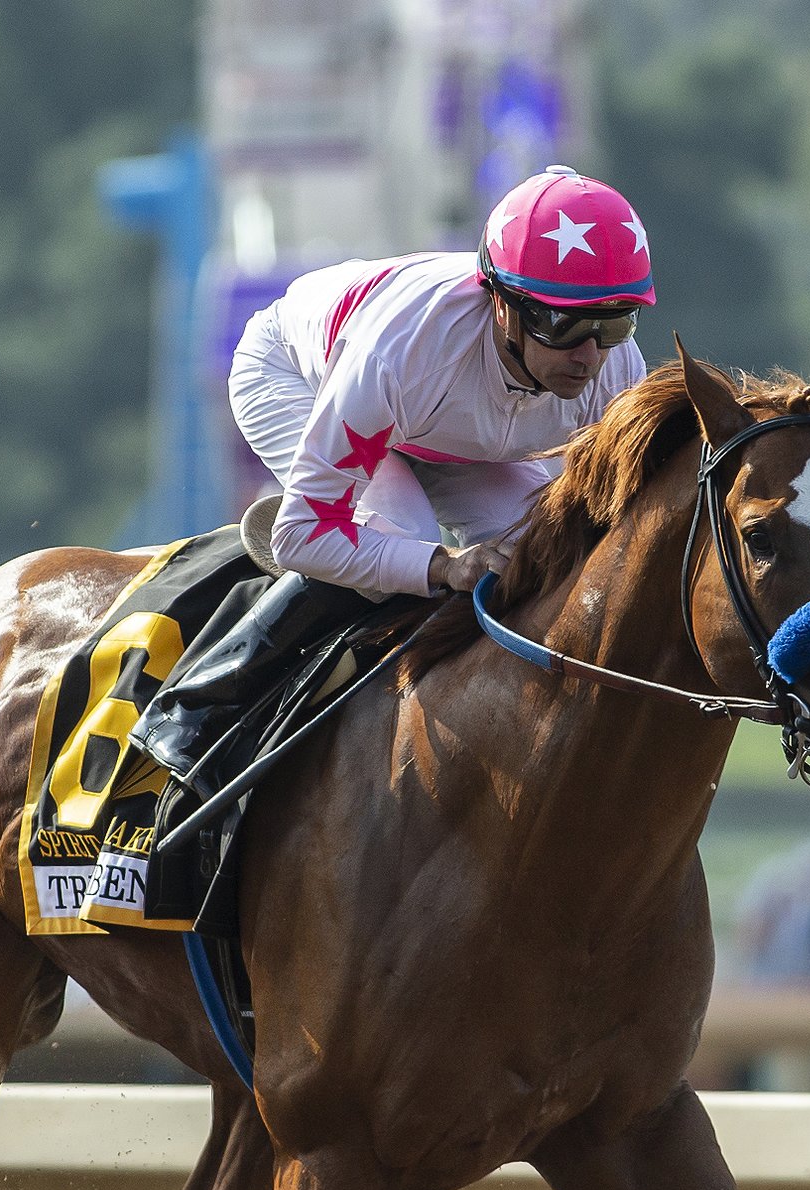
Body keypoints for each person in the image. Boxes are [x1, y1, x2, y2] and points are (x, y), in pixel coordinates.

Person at [131, 165, 657, 779]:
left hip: (448, 434)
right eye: (563, 324)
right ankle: (198, 708)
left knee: (540, 552)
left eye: (614, 323)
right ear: (501, 302)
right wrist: (442, 564)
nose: (589, 356)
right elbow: (300, 536)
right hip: (297, 375)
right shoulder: (404, 351)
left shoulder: (618, 373)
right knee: (399, 540)